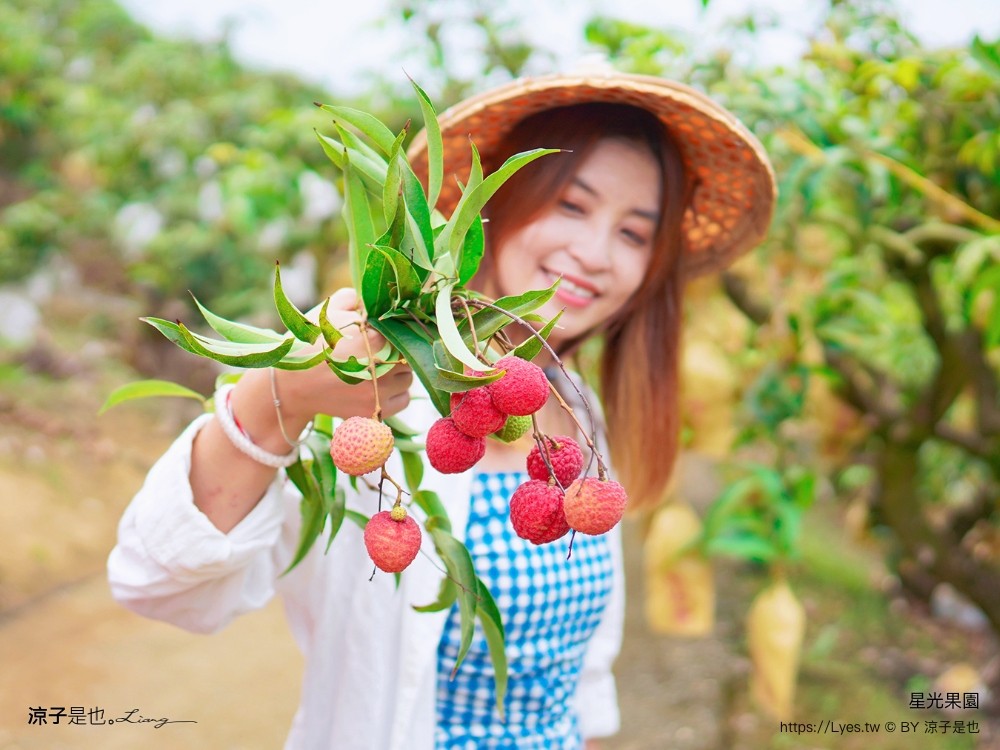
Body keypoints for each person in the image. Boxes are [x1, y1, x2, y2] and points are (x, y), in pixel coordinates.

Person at [108, 71, 775, 750]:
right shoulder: (365, 389)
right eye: (572, 205)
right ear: (490, 208)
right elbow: (157, 584)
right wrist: (279, 396)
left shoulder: (580, 410)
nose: (595, 254)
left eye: (633, 234)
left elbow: (584, 676)